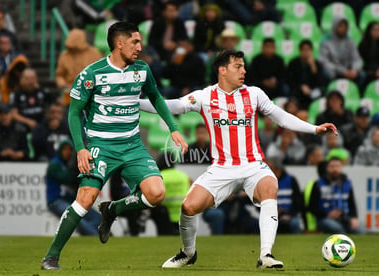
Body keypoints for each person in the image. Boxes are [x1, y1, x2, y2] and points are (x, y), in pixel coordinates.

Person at [139, 49, 337, 269]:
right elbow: (172, 105)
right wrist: (136, 103)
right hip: (222, 168)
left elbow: (279, 116)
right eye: (238, 66)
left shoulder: (254, 94)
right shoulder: (205, 97)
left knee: (269, 187)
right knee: (188, 207)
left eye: (243, 66)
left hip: (253, 165)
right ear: (222, 70)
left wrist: (314, 129)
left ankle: (266, 255)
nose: (244, 71)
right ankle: (188, 253)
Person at [40, 22, 187, 270]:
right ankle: (51, 256)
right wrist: (81, 148)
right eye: (135, 42)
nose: (140, 47)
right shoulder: (91, 74)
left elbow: (156, 98)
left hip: (132, 146)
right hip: (101, 145)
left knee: (156, 193)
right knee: (85, 199)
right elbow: (74, 114)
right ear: (119, 43)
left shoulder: (142, 70)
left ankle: (113, 209)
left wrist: (173, 128)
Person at [45, 139, 101, 235]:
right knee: (76, 218)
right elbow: (67, 178)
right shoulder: (55, 164)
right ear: (60, 151)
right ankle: (94, 236)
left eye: (70, 150)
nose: (67, 152)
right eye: (64, 149)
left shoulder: (69, 164)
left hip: (70, 200)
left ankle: (91, 233)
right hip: (56, 200)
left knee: (97, 218)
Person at [308, 157, 363, 234]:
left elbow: (352, 203)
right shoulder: (318, 184)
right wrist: (327, 214)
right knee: (338, 229)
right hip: (325, 218)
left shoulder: (347, 183)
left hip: (345, 217)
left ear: (341, 168)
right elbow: (311, 206)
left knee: (360, 230)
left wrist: (353, 218)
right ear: (327, 168)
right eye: (332, 166)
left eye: (337, 166)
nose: (335, 169)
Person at [55, 28, 102, 107]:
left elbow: (101, 71)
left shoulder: (94, 53)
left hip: (91, 94)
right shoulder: (64, 55)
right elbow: (59, 75)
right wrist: (63, 84)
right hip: (71, 95)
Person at [318, 17, 364, 89]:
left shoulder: (350, 41)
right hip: (334, 70)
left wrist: (354, 70)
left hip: (349, 70)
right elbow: (323, 61)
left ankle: (356, 93)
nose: (343, 28)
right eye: (340, 26)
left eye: (345, 26)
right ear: (335, 26)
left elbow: (357, 59)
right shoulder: (326, 42)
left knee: (362, 75)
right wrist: (342, 71)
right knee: (326, 73)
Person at [266, 157, 302, 234]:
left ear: (277, 170)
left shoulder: (291, 180)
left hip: (289, 214)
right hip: (270, 215)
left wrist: (289, 214)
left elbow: (298, 201)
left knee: (294, 224)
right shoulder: (265, 182)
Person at [287, 39, 325, 110]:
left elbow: (320, 82)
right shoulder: (293, 63)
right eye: (304, 50)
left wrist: (313, 67)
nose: (306, 52)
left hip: (312, 90)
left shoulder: (317, 64)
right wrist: (301, 86)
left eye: (308, 50)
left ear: (311, 51)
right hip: (298, 90)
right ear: (300, 51)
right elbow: (290, 79)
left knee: (320, 93)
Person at [10, 68, 49, 133]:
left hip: (41, 123)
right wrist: (28, 121)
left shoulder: (42, 91)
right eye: (27, 79)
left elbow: (56, 103)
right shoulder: (17, 94)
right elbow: (14, 114)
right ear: (21, 80)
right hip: (24, 124)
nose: (30, 82)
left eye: (33, 78)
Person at [358, 21, 379, 89]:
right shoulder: (363, 45)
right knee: (363, 75)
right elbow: (359, 61)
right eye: (374, 30)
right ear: (369, 31)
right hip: (367, 70)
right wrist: (374, 71)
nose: (376, 32)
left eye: (378, 30)